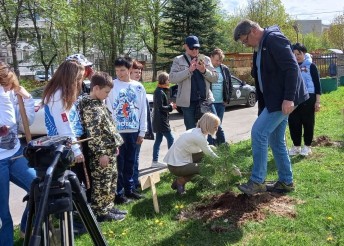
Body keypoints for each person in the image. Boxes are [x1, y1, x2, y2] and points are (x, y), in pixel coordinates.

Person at [233, 19, 309, 195]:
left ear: (253, 30)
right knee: (276, 140)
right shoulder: (260, 46)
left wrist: (289, 98)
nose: (245, 44)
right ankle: (286, 181)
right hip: (274, 100)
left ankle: (257, 181)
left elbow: (291, 68)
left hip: (283, 100)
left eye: (245, 40)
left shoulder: (274, 39)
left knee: (258, 132)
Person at [75, 71, 127, 222]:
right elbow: (94, 134)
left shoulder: (98, 103)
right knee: (101, 182)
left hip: (109, 149)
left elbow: (107, 127)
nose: (107, 95)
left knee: (111, 179)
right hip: (101, 152)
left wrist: (114, 144)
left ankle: (109, 206)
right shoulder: (90, 107)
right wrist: (101, 153)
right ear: (96, 88)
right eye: (106, 92)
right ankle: (101, 212)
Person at [0, 61, 36, 244]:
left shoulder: (12, 93)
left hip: (15, 153)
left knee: (38, 187)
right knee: (3, 214)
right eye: (3, 85)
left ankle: (25, 228)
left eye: (8, 84)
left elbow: (25, 122)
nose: (6, 88)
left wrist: (27, 99)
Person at [106, 56, 147, 204]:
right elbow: (109, 109)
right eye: (117, 70)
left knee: (130, 161)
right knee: (119, 163)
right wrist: (112, 131)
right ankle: (119, 193)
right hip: (118, 132)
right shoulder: (112, 86)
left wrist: (142, 131)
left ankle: (130, 190)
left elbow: (143, 110)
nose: (119, 73)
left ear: (130, 69)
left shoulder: (138, 87)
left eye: (122, 70)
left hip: (133, 131)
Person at [163, 112, 220, 194]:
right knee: (208, 169)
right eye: (215, 126)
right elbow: (209, 153)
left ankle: (202, 182)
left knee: (212, 148)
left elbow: (208, 149)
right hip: (176, 166)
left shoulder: (199, 132)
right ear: (208, 125)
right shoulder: (198, 136)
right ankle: (181, 181)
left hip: (183, 159)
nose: (217, 128)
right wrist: (226, 164)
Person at [169, 35, 218, 130]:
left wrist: (204, 70)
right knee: (191, 131)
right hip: (188, 104)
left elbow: (215, 78)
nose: (195, 50)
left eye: (197, 48)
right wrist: (189, 70)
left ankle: (208, 145)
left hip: (205, 100)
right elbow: (172, 78)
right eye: (192, 48)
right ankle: (194, 145)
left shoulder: (206, 59)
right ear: (185, 46)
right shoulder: (178, 60)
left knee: (213, 126)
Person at [42, 60, 85, 165]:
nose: (80, 82)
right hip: (62, 146)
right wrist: (76, 150)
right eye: (78, 78)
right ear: (70, 78)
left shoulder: (62, 92)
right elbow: (63, 125)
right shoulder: (58, 95)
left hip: (68, 143)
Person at [288, 43, 321, 156]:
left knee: (308, 122)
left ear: (304, 53)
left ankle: (307, 146)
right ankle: (296, 146)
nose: (297, 56)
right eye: (294, 54)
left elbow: (317, 85)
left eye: (299, 53)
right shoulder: (291, 66)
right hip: (294, 98)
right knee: (293, 122)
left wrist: (317, 101)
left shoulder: (311, 66)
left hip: (309, 98)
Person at [130, 60, 153, 190]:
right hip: (131, 128)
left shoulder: (140, 87)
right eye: (135, 72)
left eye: (139, 72)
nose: (138, 74)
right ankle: (132, 180)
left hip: (140, 128)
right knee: (132, 156)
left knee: (136, 155)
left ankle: (134, 178)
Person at [209, 48, 233, 145]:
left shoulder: (224, 69)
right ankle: (215, 144)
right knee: (213, 124)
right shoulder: (206, 68)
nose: (219, 62)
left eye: (220, 60)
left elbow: (229, 85)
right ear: (211, 57)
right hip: (210, 102)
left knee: (218, 125)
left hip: (221, 102)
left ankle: (218, 144)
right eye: (217, 60)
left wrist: (227, 99)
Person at [152, 72, 176, 166]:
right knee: (171, 139)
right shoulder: (159, 91)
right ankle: (171, 160)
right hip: (161, 121)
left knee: (158, 140)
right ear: (163, 80)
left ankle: (155, 161)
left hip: (160, 120)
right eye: (168, 79)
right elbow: (160, 107)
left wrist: (170, 106)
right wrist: (170, 107)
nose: (169, 81)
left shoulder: (162, 90)